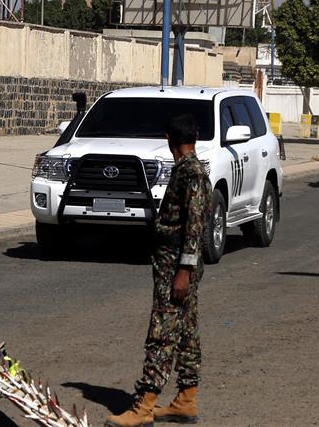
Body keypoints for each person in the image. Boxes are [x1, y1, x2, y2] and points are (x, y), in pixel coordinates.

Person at [105, 114, 212, 427]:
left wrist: (183, 270)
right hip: (179, 266)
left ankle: (145, 406)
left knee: (161, 334)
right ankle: (186, 400)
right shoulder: (191, 170)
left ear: (169, 138)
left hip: (176, 268)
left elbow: (194, 227)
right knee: (187, 332)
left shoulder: (190, 174)